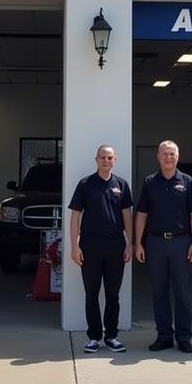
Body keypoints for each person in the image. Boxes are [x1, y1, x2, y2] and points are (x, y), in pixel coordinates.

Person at [134, 140, 192, 353]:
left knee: (182, 293)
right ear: (158, 156)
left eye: (172, 154)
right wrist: (138, 243)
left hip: (182, 242)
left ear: (178, 157)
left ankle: (183, 337)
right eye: (165, 153)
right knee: (159, 292)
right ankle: (164, 336)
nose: (168, 157)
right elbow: (142, 214)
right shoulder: (149, 182)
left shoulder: (188, 182)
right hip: (155, 242)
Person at [68, 144, 133, 354]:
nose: (106, 161)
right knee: (91, 294)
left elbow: (127, 216)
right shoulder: (85, 184)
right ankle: (94, 337)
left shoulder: (121, 185)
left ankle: (111, 336)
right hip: (90, 245)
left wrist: (130, 243)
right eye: (103, 157)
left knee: (113, 295)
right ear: (96, 159)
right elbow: (75, 216)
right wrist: (74, 246)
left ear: (115, 160)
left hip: (115, 245)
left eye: (110, 158)